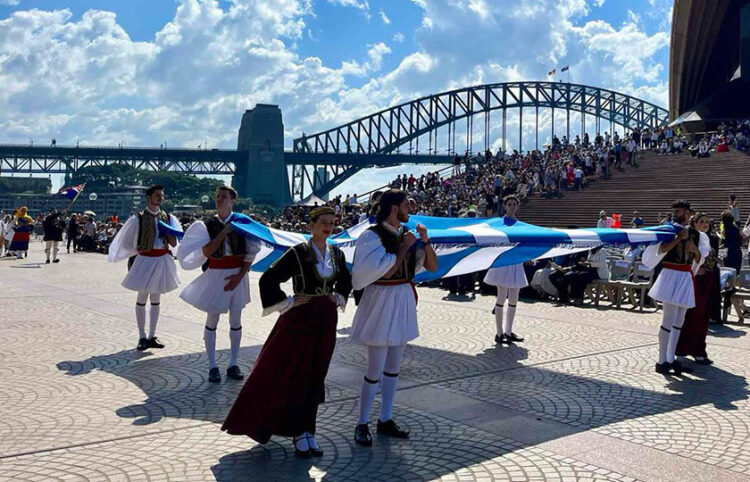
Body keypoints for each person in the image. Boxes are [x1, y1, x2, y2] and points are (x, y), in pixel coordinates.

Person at [221, 206, 353, 458]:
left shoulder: (336, 253)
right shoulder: (299, 252)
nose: (328, 226)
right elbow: (269, 278)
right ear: (311, 225)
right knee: (296, 374)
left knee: (317, 373)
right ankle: (297, 431)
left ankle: (308, 430)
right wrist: (288, 301)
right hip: (300, 320)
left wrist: (338, 296)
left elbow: (346, 278)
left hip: (326, 317)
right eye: (323, 222)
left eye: (332, 222)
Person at [350, 189, 438, 447]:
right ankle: (362, 422)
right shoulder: (371, 235)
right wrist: (404, 246)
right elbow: (374, 270)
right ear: (393, 208)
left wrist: (426, 241)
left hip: (402, 298)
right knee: (374, 368)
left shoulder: (405, 236)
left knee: (393, 368)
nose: (409, 208)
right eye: (405, 204)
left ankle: (385, 418)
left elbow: (432, 267)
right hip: (381, 300)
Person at [177, 186, 261, 383]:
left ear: (233, 200)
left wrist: (239, 276)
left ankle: (233, 363)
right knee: (212, 319)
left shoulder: (243, 223)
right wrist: (224, 232)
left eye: (223, 197)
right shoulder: (208, 224)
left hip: (237, 274)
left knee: (235, 320)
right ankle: (212, 365)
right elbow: (207, 252)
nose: (219, 199)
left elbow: (251, 252)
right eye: (217, 197)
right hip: (216, 273)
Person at [108, 185, 182, 351]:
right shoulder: (138, 219)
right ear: (149, 197)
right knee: (142, 297)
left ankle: (152, 335)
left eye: (162, 195)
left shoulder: (168, 218)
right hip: (146, 259)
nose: (160, 198)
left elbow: (174, 243)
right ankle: (142, 336)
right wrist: (140, 248)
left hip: (162, 259)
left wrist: (167, 232)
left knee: (156, 298)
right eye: (157, 195)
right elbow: (128, 242)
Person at [642, 200, 709, 375]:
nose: (676, 214)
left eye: (679, 212)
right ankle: (661, 360)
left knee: (680, 320)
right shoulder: (669, 230)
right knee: (668, 319)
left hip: (685, 275)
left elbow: (700, 259)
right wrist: (679, 238)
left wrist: (694, 250)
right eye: (675, 211)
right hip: (671, 273)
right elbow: (661, 250)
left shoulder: (696, 234)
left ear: (688, 213)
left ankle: (671, 358)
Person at [676, 213, 719, 365]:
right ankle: (681, 349)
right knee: (690, 315)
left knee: (703, 317)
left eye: (707, 222)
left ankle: (698, 350)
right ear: (694, 224)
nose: (705, 224)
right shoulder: (691, 238)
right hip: (695, 281)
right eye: (701, 222)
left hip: (709, 281)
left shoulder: (711, 239)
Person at [483, 195, 526, 344]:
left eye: (514, 204)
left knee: (514, 298)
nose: (512, 207)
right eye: (510, 204)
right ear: (505, 206)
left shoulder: (521, 225)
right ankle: (499, 332)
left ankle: (508, 331)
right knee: (501, 296)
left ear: (517, 207)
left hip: (516, 262)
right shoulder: (499, 223)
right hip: (503, 261)